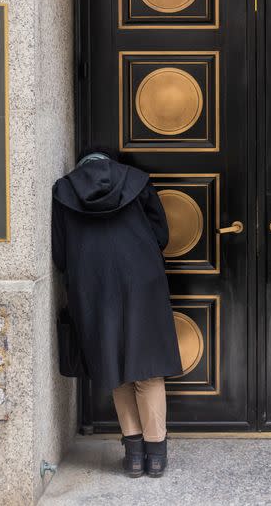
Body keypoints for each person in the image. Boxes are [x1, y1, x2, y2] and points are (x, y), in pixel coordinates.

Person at [52, 149, 182, 478]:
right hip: (141, 280)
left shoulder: (64, 191)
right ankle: (156, 456)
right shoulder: (136, 182)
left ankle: (134, 456)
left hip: (93, 285)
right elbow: (161, 235)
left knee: (115, 368)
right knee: (147, 369)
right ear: (111, 164)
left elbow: (60, 253)